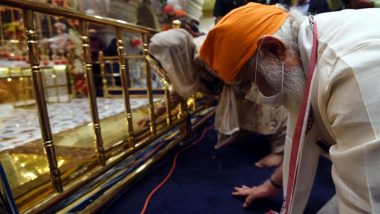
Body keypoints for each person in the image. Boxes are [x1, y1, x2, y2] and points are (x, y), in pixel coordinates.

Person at [199, 2, 380, 213]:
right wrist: (273, 184)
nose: (259, 95)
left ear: (274, 49)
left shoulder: (351, 74)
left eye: (252, 81)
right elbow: (303, 134)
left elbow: (369, 195)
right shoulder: (306, 43)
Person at [141, 28, 288, 168]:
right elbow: (177, 91)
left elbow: (248, 78)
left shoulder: (205, 55)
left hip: (255, 77)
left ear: (174, 55)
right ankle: (243, 131)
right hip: (236, 83)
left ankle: (279, 151)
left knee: (264, 105)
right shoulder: (184, 55)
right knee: (239, 105)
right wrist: (154, 114)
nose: (165, 67)